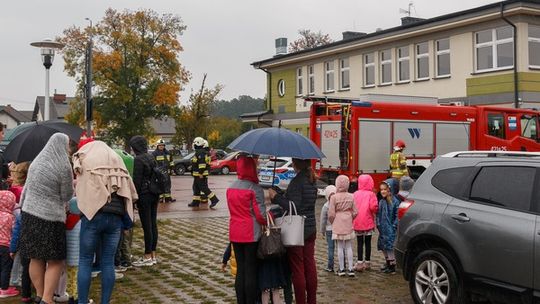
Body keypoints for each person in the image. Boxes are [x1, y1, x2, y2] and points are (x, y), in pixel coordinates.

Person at [72, 140, 138, 304]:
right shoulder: (116, 159)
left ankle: (82, 301)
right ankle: (105, 302)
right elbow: (130, 189)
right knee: (108, 262)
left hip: (93, 215)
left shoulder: (86, 159)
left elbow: (81, 187)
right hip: (115, 217)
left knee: (86, 260)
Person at [18, 133, 74, 304]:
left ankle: (40, 295)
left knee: (35, 257)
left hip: (29, 214)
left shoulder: (36, 162)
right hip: (50, 218)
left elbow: (26, 189)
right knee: (55, 260)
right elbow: (66, 195)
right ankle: (49, 299)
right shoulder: (63, 166)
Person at [269, 158, 318, 304]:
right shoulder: (312, 180)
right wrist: (282, 193)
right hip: (310, 227)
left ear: (296, 164)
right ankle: (312, 301)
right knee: (310, 266)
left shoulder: (297, 182)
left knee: (298, 269)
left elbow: (293, 206)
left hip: (297, 229)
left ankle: (301, 301)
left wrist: (275, 197)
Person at [227, 155, 266, 304]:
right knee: (250, 269)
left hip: (235, 232)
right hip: (251, 234)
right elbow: (261, 216)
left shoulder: (231, 187)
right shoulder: (254, 189)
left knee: (240, 270)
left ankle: (240, 301)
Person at [129, 136, 159, 267]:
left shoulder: (138, 160)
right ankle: (153, 254)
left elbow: (137, 181)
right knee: (153, 224)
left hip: (144, 195)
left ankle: (147, 256)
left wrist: (133, 199)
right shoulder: (151, 156)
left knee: (146, 225)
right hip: (154, 193)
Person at [328, 175, 357, 277]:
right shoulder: (351, 196)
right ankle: (351, 268)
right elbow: (355, 212)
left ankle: (341, 268)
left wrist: (332, 222)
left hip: (337, 221)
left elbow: (331, 213)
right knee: (349, 246)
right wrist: (351, 218)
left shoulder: (334, 197)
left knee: (340, 246)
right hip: (348, 220)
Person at [352, 174, 378, 272]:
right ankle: (367, 262)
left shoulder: (355, 194)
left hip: (358, 222)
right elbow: (373, 207)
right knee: (368, 243)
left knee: (359, 243)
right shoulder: (371, 194)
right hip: (368, 223)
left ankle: (359, 262)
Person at [377, 180, 400, 274]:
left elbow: (397, 215)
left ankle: (392, 265)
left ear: (390, 190)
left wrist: (394, 225)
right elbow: (378, 214)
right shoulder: (382, 202)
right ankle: (387, 262)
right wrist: (378, 224)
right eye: (381, 189)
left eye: (385, 189)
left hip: (390, 229)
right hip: (382, 229)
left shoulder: (395, 202)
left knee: (390, 247)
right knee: (384, 247)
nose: (382, 191)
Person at [188, 137, 219, 208]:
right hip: (197, 175)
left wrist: (201, 173)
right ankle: (195, 202)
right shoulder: (200, 151)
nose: (193, 145)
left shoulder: (200, 152)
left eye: (194, 143)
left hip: (200, 175)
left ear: (197, 144)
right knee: (196, 188)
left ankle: (214, 199)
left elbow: (202, 164)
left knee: (204, 188)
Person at [0, 191, 18, 298]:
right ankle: (4, 289)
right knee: (6, 268)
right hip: (6, 246)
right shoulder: (10, 217)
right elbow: (13, 231)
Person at [65, 198, 80, 304]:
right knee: (78, 278)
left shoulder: (67, 219)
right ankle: (77, 297)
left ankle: (70, 295)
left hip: (68, 255)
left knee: (70, 277)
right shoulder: (81, 221)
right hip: (78, 255)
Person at [319, 185, 336, 272]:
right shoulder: (338, 204)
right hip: (338, 229)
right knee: (341, 248)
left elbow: (323, 220)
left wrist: (322, 231)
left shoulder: (325, 206)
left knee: (330, 248)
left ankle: (330, 266)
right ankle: (342, 266)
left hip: (329, 230)